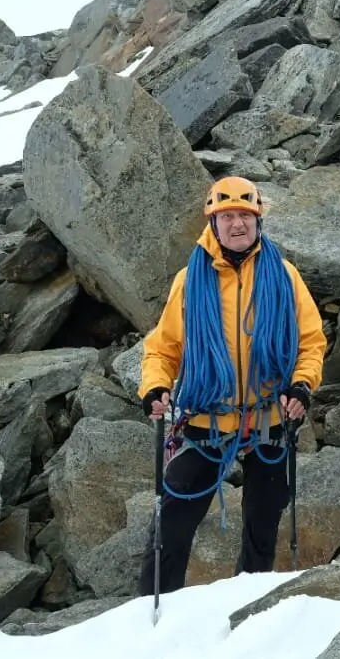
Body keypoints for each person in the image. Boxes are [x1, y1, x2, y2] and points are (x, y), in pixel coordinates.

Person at [136, 176, 327, 596]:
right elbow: (163, 349)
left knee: (262, 527)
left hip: (269, 420)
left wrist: (301, 386)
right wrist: (155, 388)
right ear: (213, 222)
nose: (237, 224)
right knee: (171, 525)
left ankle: (248, 613)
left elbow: (311, 342)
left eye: (245, 215)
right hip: (206, 418)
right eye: (227, 216)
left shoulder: (285, 276)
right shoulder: (190, 281)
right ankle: (151, 618)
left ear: (258, 220)